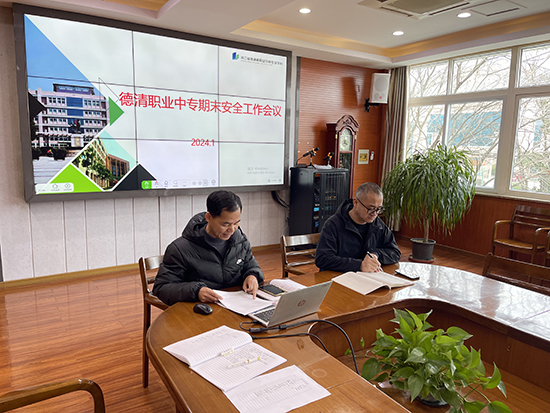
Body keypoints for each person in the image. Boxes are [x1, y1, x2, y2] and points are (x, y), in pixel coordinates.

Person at [153, 190, 264, 305]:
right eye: (225, 224)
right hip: (201, 308)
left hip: (236, 306)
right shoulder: (180, 249)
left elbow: (251, 265)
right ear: (208, 217)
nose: (232, 230)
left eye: (236, 223)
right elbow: (162, 288)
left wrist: (252, 275)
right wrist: (196, 291)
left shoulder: (240, 241)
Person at [315, 182, 401, 273]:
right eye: (371, 209)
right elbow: (322, 259)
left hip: (367, 277)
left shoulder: (378, 224)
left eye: (378, 209)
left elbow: (395, 252)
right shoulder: (333, 224)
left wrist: (375, 254)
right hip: (338, 277)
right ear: (355, 202)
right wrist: (359, 265)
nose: (375, 214)